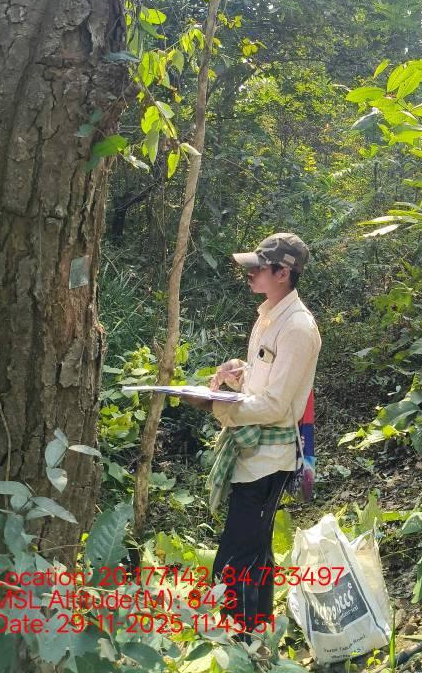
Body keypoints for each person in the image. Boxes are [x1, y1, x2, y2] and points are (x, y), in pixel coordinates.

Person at [181, 232, 320, 639]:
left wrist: (216, 407)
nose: (250, 273)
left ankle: (236, 641)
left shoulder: (298, 328)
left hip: (270, 458)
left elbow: (276, 405)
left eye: (258, 268)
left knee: (236, 558)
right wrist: (238, 373)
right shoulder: (268, 317)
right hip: (251, 451)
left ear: (283, 273)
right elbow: (265, 382)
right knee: (256, 551)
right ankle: (256, 638)